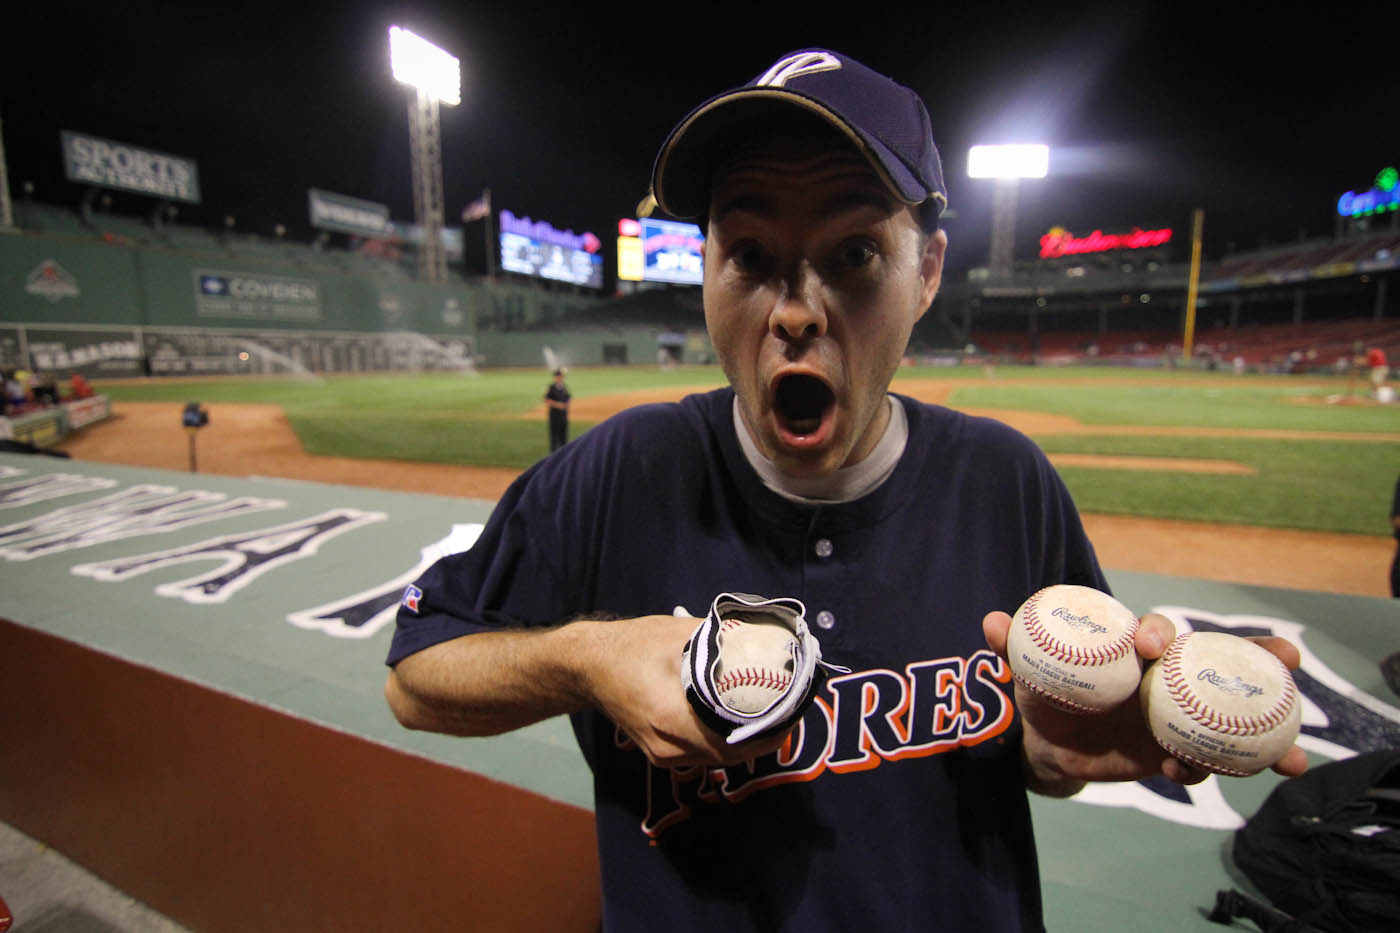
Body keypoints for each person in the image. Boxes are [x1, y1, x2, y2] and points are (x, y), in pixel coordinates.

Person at [385, 49, 1306, 930]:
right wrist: (582, 658)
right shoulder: (624, 469)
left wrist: (1053, 755)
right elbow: (416, 675)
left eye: (856, 252)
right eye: (749, 253)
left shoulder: (1005, 482)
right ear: (705, 268)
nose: (795, 308)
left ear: (927, 274)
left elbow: (1041, 744)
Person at [544, 367, 571, 452]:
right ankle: (553, 457)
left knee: (564, 438)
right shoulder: (551, 387)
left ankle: (564, 456)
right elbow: (547, 400)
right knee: (554, 438)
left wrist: (566, 404)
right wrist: (558, 405)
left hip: (563, 416)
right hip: (554, 416)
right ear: (556, 377)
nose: (560, 378)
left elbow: (568, 398)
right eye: (559, 376)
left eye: (562, 376)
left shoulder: (564, 387)